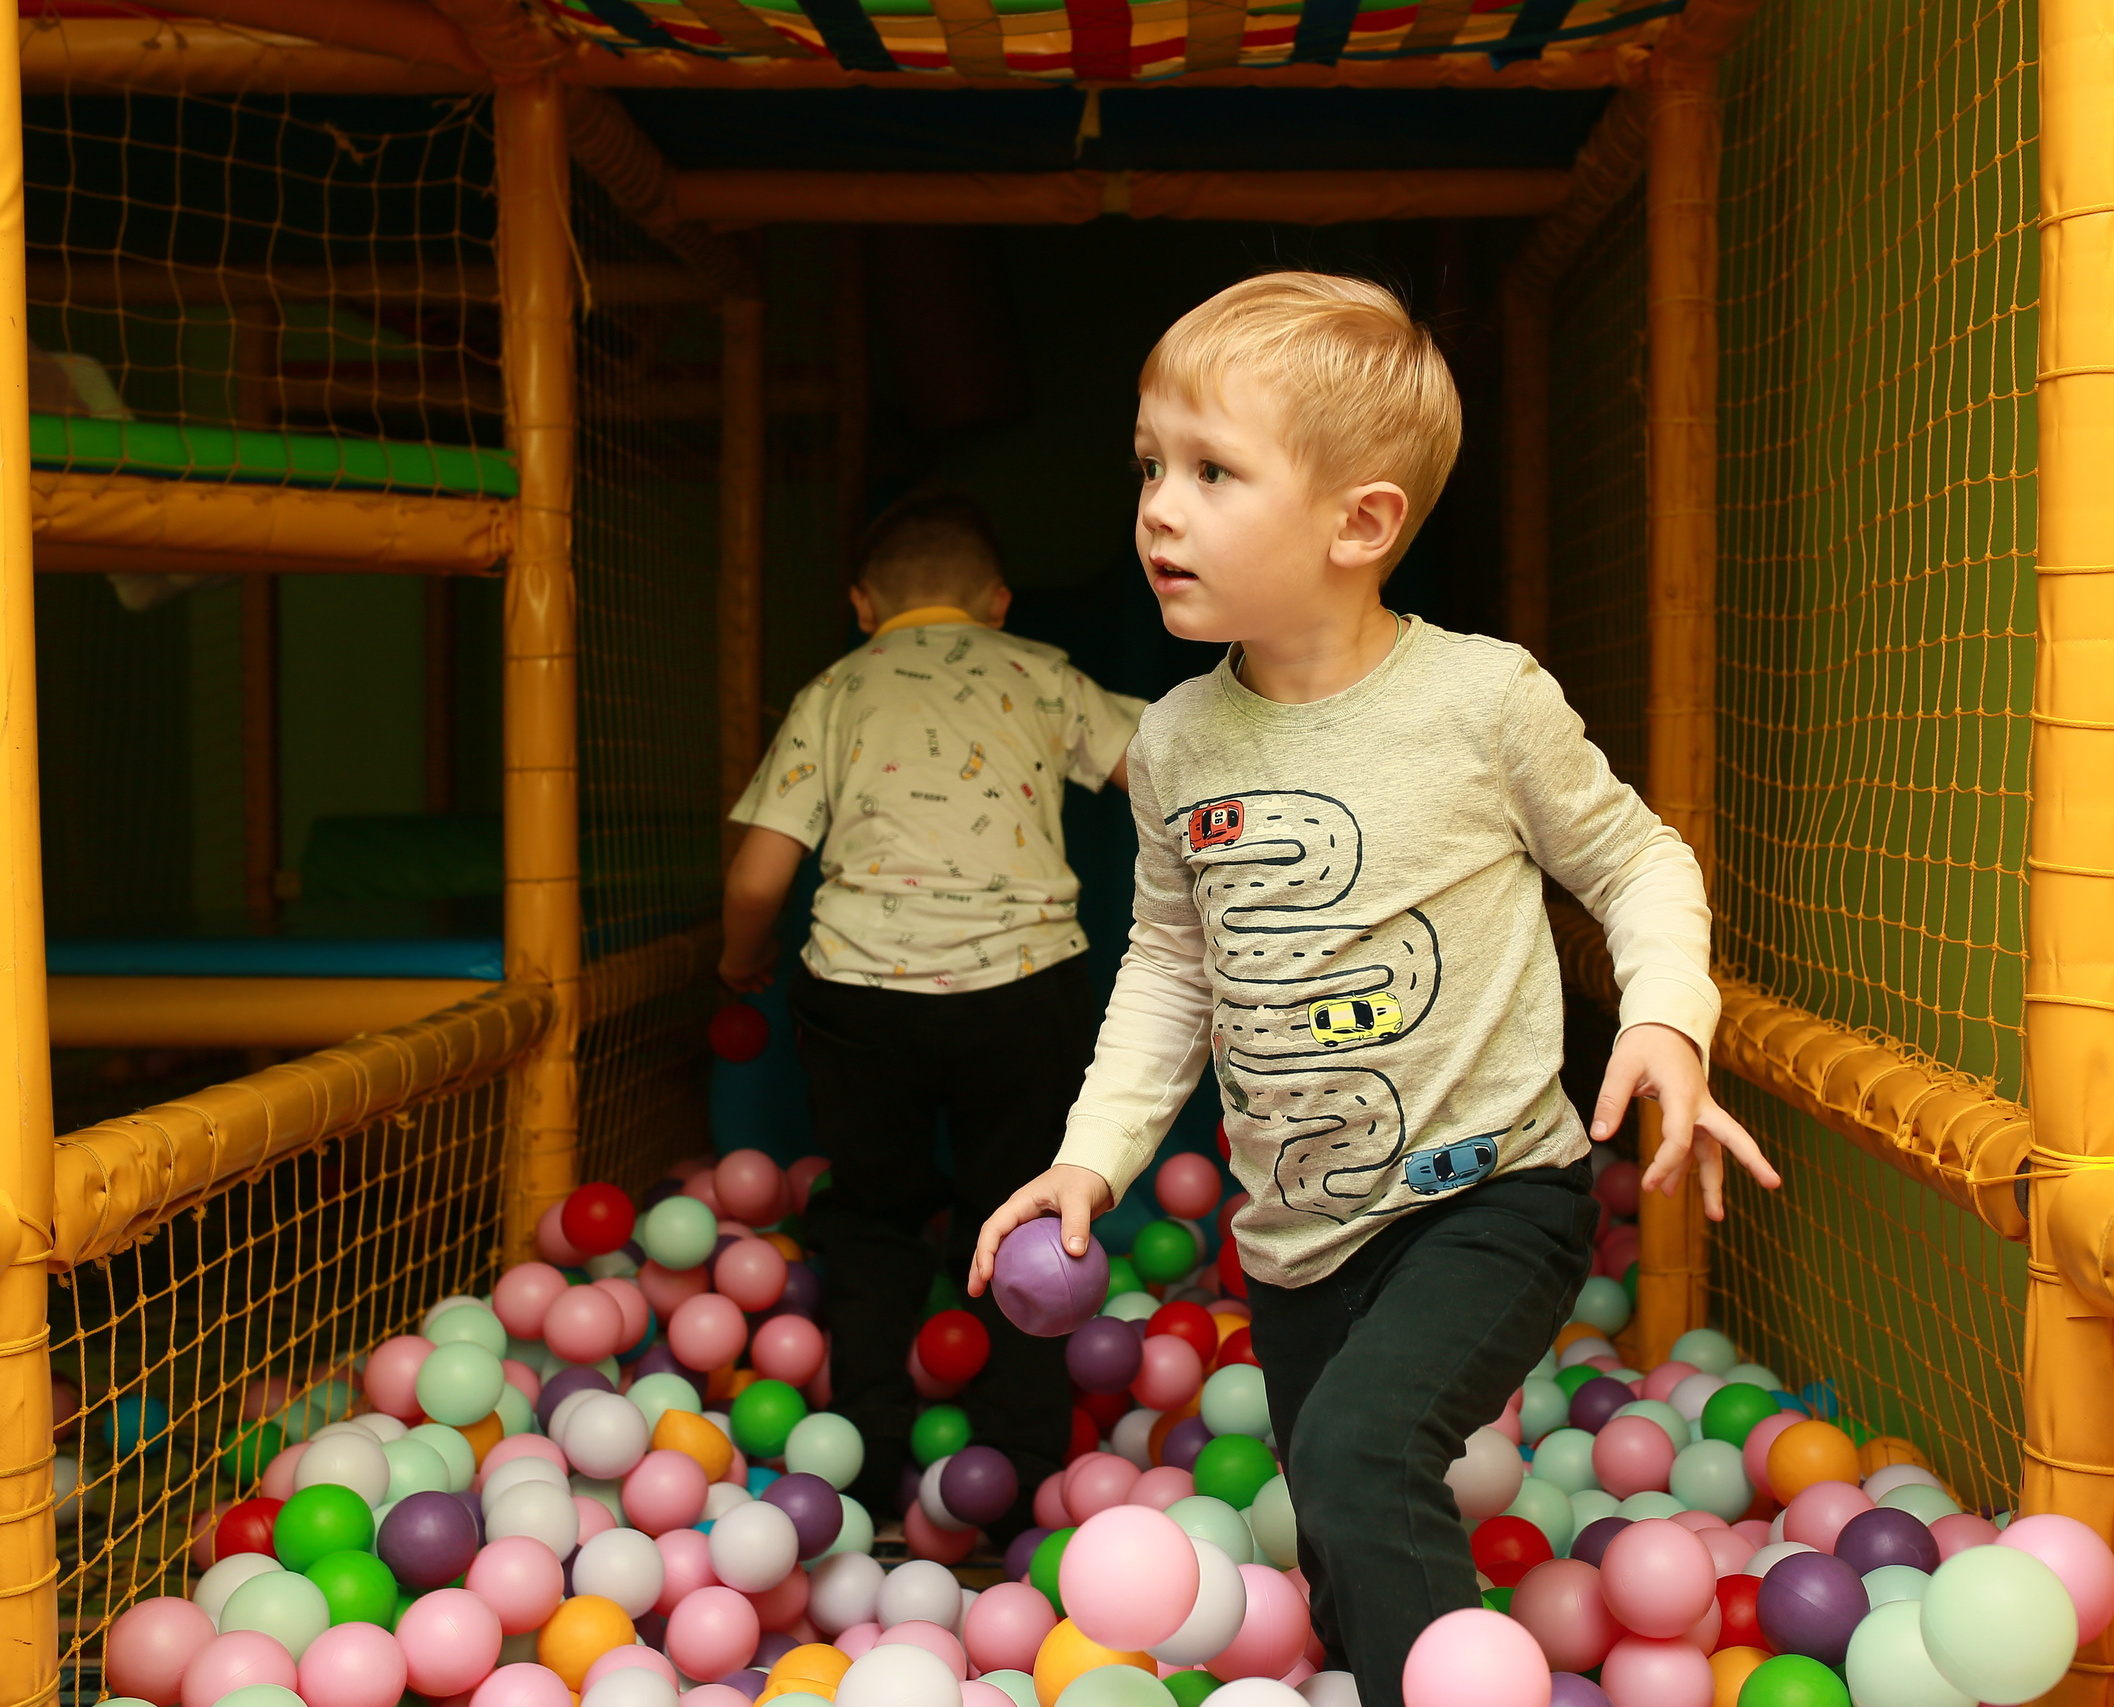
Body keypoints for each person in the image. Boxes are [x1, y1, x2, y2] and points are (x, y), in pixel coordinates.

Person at [967, 274, 1779, 1701]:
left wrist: (1665, 1013)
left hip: (1493, 1194)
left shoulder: (1481, 699)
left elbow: (1639, 859)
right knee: (1339, 1508)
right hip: (1296, 1234)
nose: (1160, 505)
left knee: (1355, 1451)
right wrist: (1088, 1160)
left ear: (1362, 523)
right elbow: (1168, 971)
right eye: (1151, 465)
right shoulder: (1172, 744)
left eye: (1214, 471)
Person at [720, 490, 1145, 1536]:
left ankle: (860, 1458)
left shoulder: (834, 690)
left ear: (863, 606)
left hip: (861, 1000)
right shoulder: (1038, 672)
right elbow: (1164, 771)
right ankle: (1022, 1461)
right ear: (996, 604)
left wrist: (741, 959)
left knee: (872, 1212)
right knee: (1034, 1207)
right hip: (1023, 988)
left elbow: (760, 870)